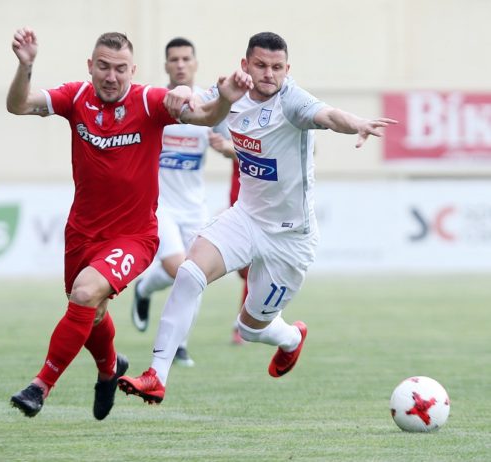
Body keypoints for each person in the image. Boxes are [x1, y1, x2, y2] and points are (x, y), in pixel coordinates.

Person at [117, 32, 398, 405]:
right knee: (188, 273)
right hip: (246, 218)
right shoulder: (233, 92)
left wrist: (357, 122)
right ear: (245, 64)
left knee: (249, 328)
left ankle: (291, 338)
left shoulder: (292, 101)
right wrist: (182, 93)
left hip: (290, 238)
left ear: (287, 69)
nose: (269, 74)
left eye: (277, 67)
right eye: (261, 65)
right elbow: (196, 103)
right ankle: (157, 375)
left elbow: (329, 115)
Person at [6, 27, 252, 419]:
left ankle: (40, 385)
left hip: (134, 236)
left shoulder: (148, 102)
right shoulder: (75, 97)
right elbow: (18, 105)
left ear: (132, 71)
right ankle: (109, 369)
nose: (111, 76)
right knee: (91, 310)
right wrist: (26, 66)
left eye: (120, 69)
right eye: (103, 67)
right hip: (82, 232)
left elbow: (205, 115)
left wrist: (223, 98)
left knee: (85, 294)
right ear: (90, 66)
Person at [131, 37, 235, 366]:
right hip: (159, 205)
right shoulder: (155, 102)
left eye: (185, 59)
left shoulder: (209, 105)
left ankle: (177, 340)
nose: (180, 64)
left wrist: (226, 149)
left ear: (195, 64)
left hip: (194, 207)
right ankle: (148, 294)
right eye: (173, 59)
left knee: (195, 273)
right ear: (166, 65)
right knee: (180, 268)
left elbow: (238, 148)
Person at [208, 132, 248, 345]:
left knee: (254, 270)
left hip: (263, 213)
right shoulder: (238, 126)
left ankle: (242, 324)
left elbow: (312, 149)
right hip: (238, 209)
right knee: (245, 271)